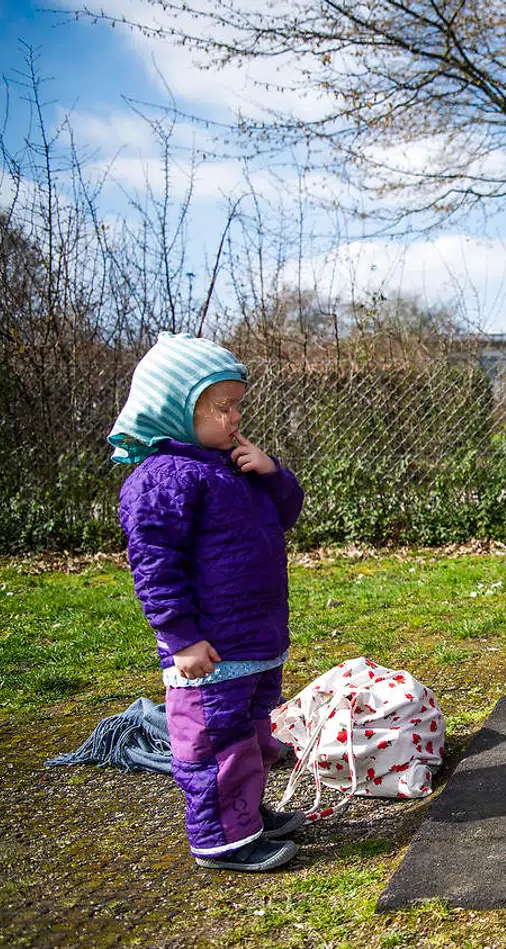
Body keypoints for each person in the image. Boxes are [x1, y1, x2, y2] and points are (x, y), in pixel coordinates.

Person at [110, 332, 307, 872]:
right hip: (210, 647)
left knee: (252, 735)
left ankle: (245, 815)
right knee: (215, 742)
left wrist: (272, 474)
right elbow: (154, 569)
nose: (236, 416)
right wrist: (181, 638)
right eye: (223, 407)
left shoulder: (230, 467)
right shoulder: (162, 480)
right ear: (175, 410)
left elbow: (281, 517)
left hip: (254, 638)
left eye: (238, 404)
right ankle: (221, 841)